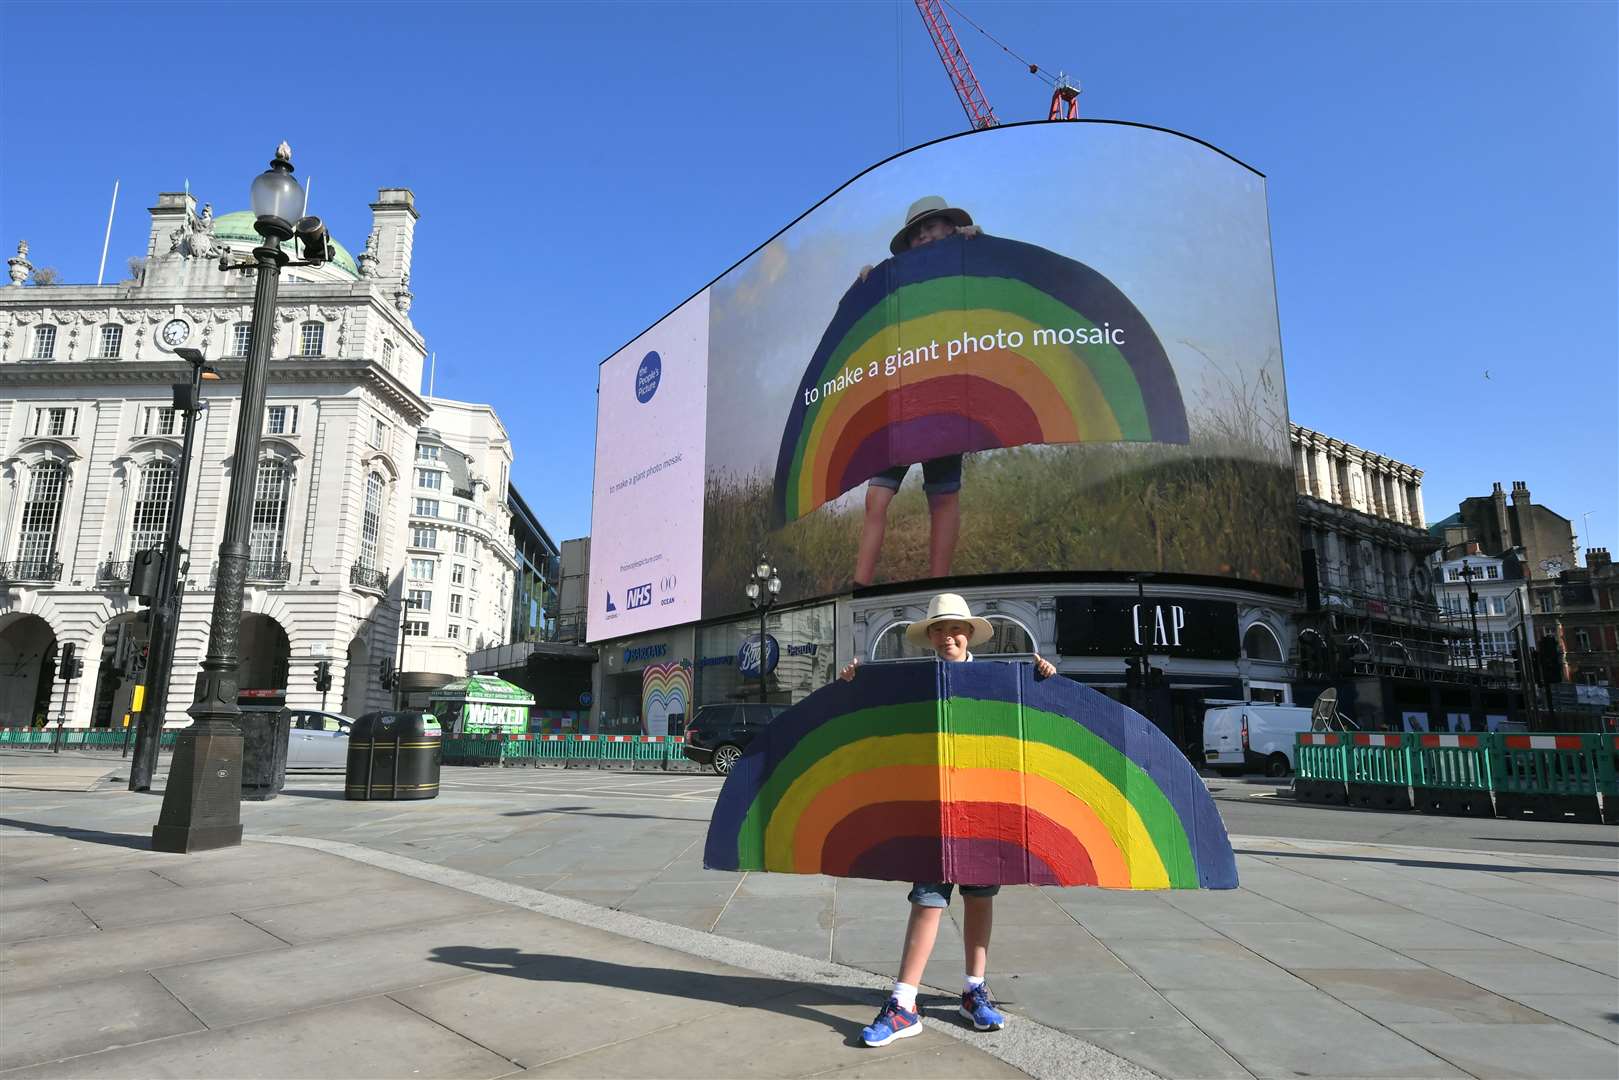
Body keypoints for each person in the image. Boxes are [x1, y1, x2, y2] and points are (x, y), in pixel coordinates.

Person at [838, 592, 1057, 1047]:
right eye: (939, 629)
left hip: (982, 810)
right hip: (933, 814)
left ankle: (974, 990)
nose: (947, 636)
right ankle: (903, 1003)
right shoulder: (916, 683)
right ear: (930, 637)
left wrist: (1044, 680)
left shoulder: (997, 680)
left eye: (956, 628)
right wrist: (853, 685)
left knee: (980, 900)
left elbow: (1031, 728)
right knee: (926, 900)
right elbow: (879, 727)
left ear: (970, 633)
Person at [853, 196, 981, 588]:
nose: (924, 234)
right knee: (876, 498)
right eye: (916, 232)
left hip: (944, 403)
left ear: (950, 227)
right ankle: (860, 586)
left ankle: (937, 588)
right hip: (901, 407)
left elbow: (992, 274)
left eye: (933, 225)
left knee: (943, 498)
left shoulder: (968, 261)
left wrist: (974, 240)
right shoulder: (898, 282)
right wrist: (868, 280)